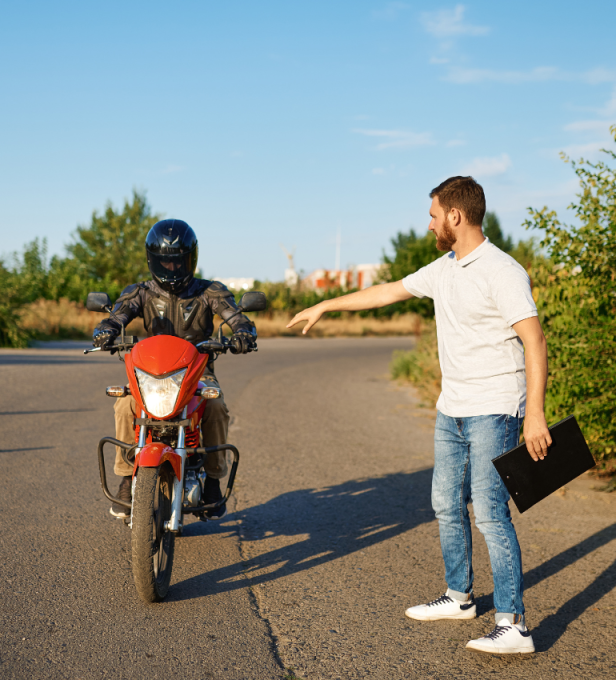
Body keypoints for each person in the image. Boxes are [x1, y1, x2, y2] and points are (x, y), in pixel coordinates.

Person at [287, 176, 552, 655]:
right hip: (451, 409)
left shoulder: (501, 270)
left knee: (490, 513)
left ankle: (514, 625)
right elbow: (387, 292)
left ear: (455, 215)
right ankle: (460, 597)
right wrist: (327, 304)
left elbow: (535, 340)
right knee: (446, 504)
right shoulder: (445, 267)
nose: (429, 223)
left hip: (495, 408)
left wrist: (534, 414)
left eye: (433, 214)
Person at [93, 218, 257, 521]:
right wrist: (106, 330)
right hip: (151, 372)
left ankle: (213, 478)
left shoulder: (210, 292)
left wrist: (244, 332)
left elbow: (235, 317)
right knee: (124, 405)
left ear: (190, 260)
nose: (172, 269)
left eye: (178, 262)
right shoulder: (139, 292)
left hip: (197, 371)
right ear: (152, 260)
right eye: (165, 262)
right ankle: (127, 477)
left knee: (216, 405)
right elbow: (117, 315)